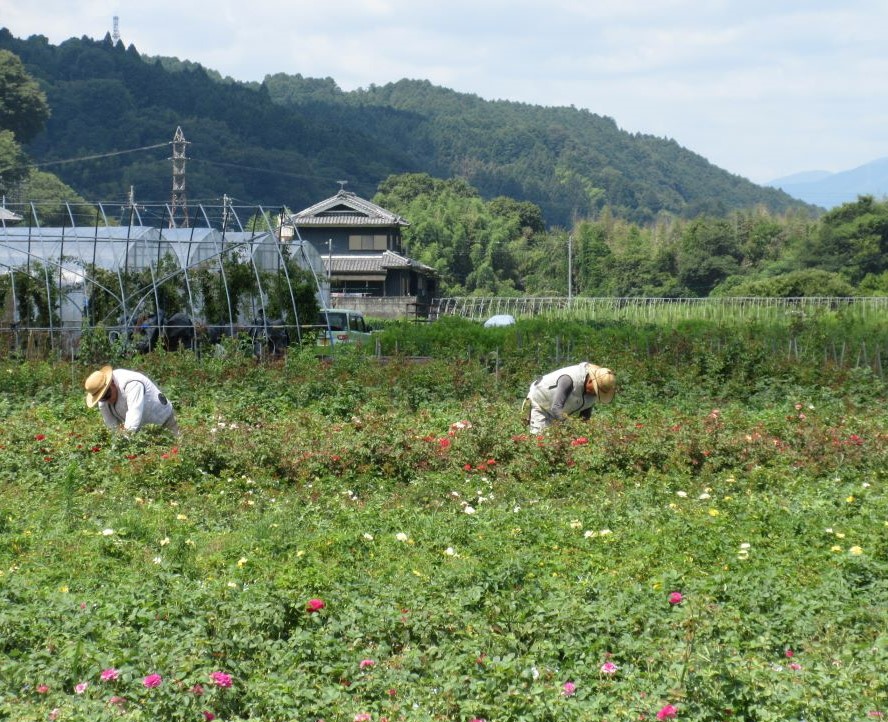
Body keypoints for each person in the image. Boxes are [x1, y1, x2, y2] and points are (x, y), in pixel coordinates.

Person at [84, 365, 180, 436]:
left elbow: (133, 418)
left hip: (163, 419)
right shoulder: (103, 401)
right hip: (143, 429)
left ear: (112, 383)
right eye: (102, 398)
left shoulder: (132, 384)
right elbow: (112, 426)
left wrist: (123, 442)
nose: (107, 400)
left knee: (176, 451)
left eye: (107, 395)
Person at [525, 362, 616, 434]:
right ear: (591, 381)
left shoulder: (593, 394)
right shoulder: (568, 380)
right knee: (540, 440)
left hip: (557, 412)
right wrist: (572, 426)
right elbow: (556, 408)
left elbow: (585, 417)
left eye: (598, 392)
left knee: (558, 442)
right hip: (540, 402)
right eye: (595, 390)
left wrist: (583, 432)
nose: (595, 394)